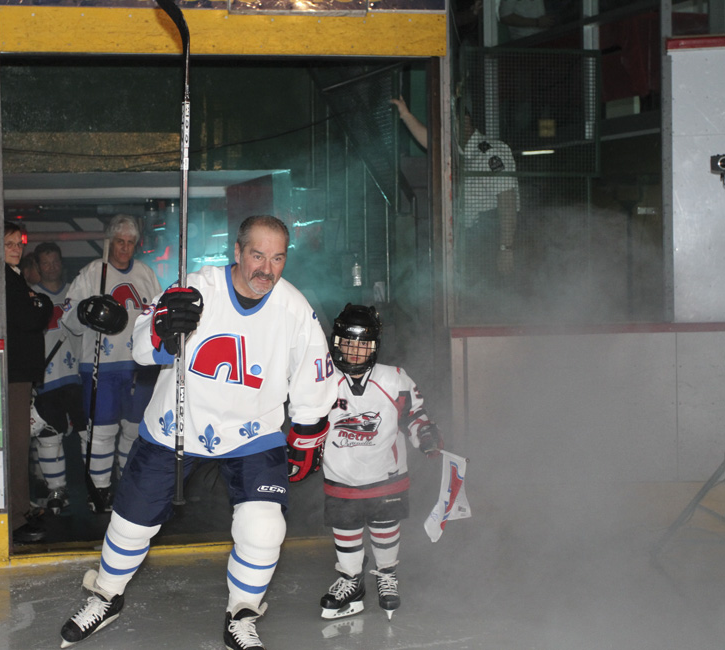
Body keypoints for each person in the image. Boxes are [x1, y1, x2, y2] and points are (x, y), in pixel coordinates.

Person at [58, 215, 337, 650]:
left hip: (253, 432)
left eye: (278, 258)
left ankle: (242, 614)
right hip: (178, 424)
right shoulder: (195, 288)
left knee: (263, 527)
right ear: (238, 252)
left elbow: (314, 378)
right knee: (131, 522)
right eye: (258, 255)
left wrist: (307, 429)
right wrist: (166, 332)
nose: (267, 268)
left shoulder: (295, 309)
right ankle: (106, 596)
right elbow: (141, 346)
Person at [317, 304, 442, 622]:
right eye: (348, 342)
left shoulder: (394, 379)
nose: (355, 350)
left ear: (374, 346)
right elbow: (304, 420)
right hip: (340, 474)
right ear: (336, 342)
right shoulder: (320, 379)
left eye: (363, 343)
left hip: (386, 475)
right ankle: (350, 579)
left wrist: (425, 436)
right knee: (346, 530)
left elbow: (415, 416)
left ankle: (387, 575)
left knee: (385, 529)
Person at [60, 215, 161, 512]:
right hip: (101, 366)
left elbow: (157, 315)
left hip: (137, 367)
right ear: (109, 242)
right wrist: (83, 312)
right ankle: (99, 490)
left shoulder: (145, 273)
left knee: (134, 430)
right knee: (101, 431)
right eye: (120, 242)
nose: (125, 249)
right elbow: (68, 317)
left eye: (130, 243)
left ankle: (127, 485)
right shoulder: (93, 272)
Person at [3, 220, 53, 544]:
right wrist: (43, 303)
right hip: (14, 374)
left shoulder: (14, 277)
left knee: (20, 445)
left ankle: (20, 509)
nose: (16, 249)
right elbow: (30, 316)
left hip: (19, 374)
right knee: (17, 447)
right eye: (8, 244)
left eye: (18, 244)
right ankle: (16, 518)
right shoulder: (6, 279)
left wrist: (38, 302)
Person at [29, 241, 84, 515]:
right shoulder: (30, 298)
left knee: (88, 435)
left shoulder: (76, 296)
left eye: (55, 262)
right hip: (47, 380)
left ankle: (95, 487)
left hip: (76, 377)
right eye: (45, 263)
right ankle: (56, 490)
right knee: (49, 437)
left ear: (61, 263)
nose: (51, 268)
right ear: (38, 267)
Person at [455, 99, 519, 316]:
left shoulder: (490, 153)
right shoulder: (459, 153)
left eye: (449, 124)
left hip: (489, 235)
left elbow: (507, 200)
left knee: (492, 304)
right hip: (470, 237)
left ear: (465, 122)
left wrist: (505, 248)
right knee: (472, 302)